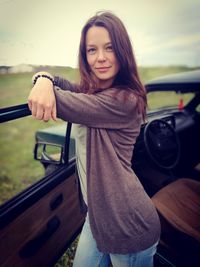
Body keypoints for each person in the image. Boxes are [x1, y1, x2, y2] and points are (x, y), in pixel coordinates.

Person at [28, 11, 161, 267]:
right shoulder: (95, 92)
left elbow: (62, 99)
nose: (100, 58)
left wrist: (45, 84)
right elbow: (62, 84)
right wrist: (43, 77)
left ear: (123, 51)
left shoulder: (125, 100)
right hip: (97, 217)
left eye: (109, 48)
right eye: (92, 50)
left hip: (128, 225)